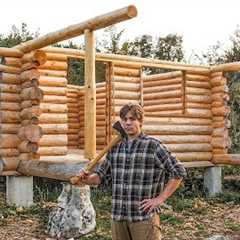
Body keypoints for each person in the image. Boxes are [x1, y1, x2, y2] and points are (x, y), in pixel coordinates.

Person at [78, 103, 186, 240]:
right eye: (124, 119)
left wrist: (160, 199)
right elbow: (100, 176)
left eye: (132, 119)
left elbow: (178, 171)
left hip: (143, 218)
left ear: (140, 121)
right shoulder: (115, 147)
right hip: (118, 217)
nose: (127, 123)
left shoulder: (152, 146)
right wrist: (86, 179)